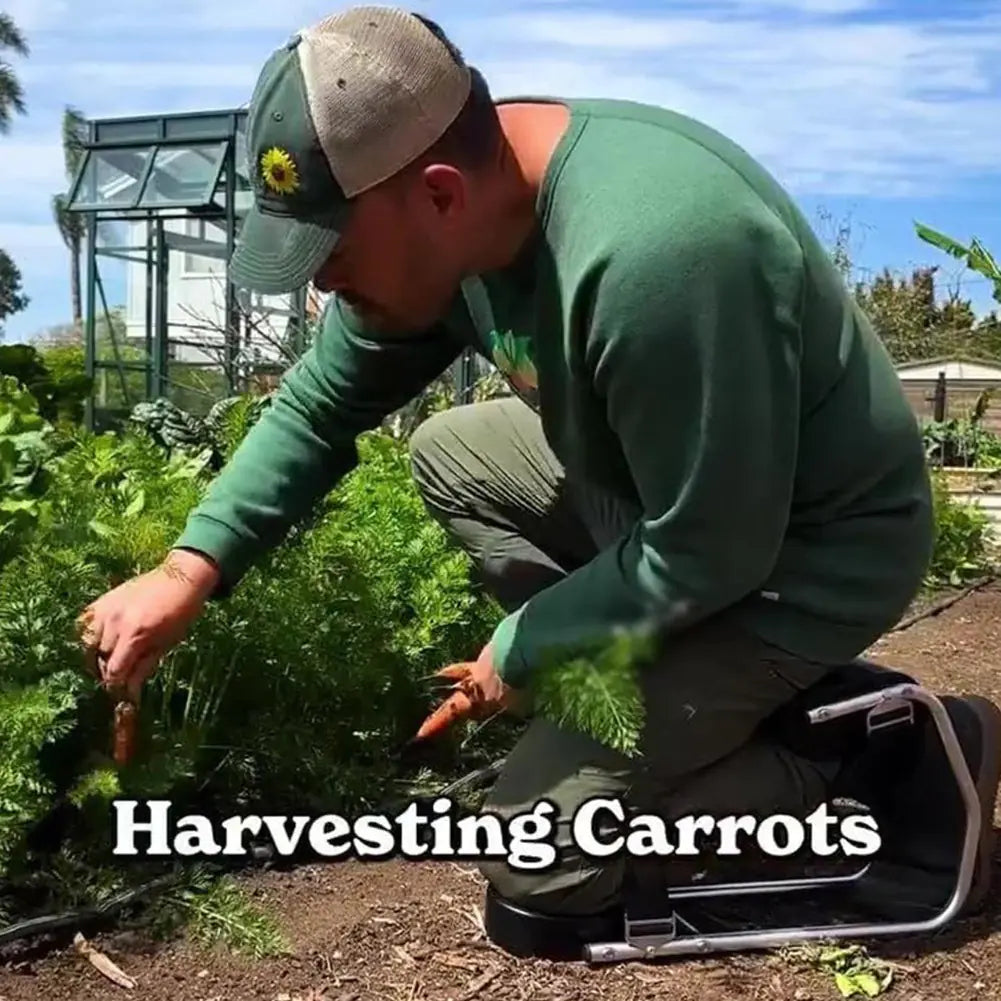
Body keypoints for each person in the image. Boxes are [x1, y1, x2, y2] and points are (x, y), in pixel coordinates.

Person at [77, 6, 1001, 920]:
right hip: (675, 508)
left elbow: (715, 549)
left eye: (332, 252)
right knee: (453, 453)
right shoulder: (459, 213)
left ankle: (860, 751)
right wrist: (185, 569)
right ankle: (672, 700)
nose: (321, 283)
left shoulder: (653, 254)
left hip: (800, 560)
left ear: (437, 193)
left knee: (541, 853)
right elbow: (322, 403)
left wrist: (524, 644)